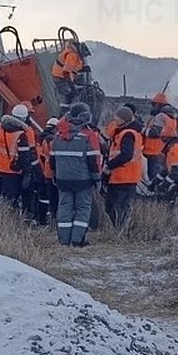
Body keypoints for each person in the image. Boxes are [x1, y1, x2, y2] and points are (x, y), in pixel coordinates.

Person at [50, 103, 103, 247]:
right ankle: (77, 240)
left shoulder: (58, 135)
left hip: (62, 180)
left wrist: (55, 176)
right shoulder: (89, 136)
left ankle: (64, 240)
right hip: (83, 180)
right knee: (82, 208)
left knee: (64, 208)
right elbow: (94, 161)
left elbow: (52, 159)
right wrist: (97, 179)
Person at [103, 106, 143, 228]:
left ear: (123, 119)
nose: (114, 119)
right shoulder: (130, 132)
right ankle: (121, 230)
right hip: (127, 176)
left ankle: (121, 231)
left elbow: (126, 154)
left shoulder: (127, 134)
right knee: (118, 207)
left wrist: (109, 165)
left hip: (122, 176)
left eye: (117, 117)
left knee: (116, 207)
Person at [0, 103, 33, 210]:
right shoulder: (21, 134)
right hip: (11, 173)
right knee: (10, 200)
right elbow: (25, 157)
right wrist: (27, 174)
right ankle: (7, 221)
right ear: (25, 118)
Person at [143, 93, 178, 183]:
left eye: (154, 104)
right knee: (158, 176)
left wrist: (141, 129)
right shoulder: (171, 118)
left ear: (159, 104)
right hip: (161, 151)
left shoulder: (160, 116)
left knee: (153, 176)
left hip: (153, 152)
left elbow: (154, 133)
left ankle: (154, 194)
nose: (153, 107)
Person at [36, 118, 60, 225]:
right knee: (54, 198)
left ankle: (42, 219)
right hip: (52, 173)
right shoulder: (52, 140)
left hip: (43, 172)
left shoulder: (41, 139)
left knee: (44, 197)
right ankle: (53, 219)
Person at [50, 40, 89, 106]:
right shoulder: (72, 56)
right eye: (85, 54)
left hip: (66, 76)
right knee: (70, 92)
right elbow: (65, 72)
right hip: (60, 77)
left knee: (79, 87)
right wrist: (72, 86)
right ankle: (67, 107)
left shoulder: (77, 56)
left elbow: (73, 67)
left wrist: (83, 69)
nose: (85, 56)